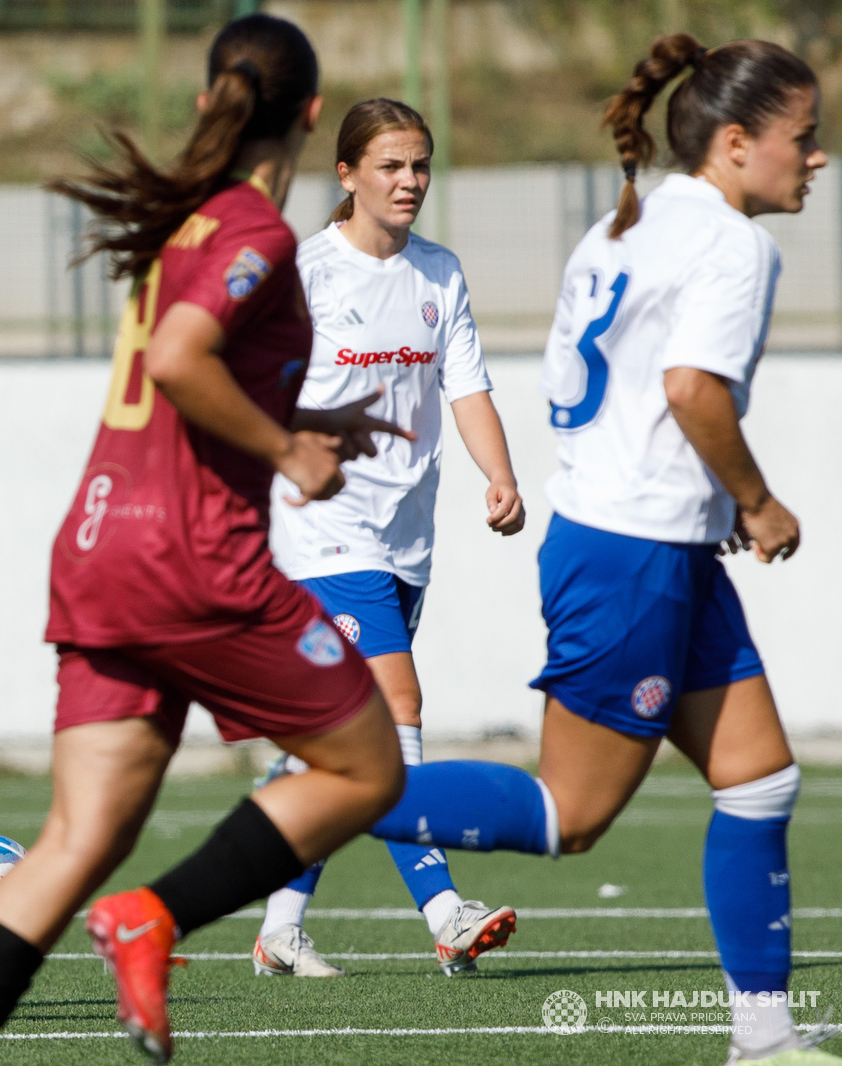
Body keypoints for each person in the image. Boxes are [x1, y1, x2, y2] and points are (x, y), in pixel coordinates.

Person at [0, 17, 410, 1066]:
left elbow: (183, 374)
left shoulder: (188, 223)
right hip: (192, 564)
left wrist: (294, 428)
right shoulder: (256, 231)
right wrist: (291, 454)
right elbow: (178, 359)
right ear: (311, 114)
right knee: (368, 766)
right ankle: (153, 917)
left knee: (80, 838)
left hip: (96, 550)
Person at [359, 34, 842, 1066]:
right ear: (732, 141)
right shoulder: (731, 244)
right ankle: (317, 798)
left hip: (644, 542)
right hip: (635, 552)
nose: (817, 159)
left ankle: (762, 1037)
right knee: (567, 815)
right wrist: (757, 502)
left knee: (758, 780)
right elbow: (689, 389)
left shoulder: (624, 223)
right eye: (804, 139)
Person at [250, 97, 526, 980]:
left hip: (408, 533)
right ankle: (445, 912)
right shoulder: (305, 275)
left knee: (334, 745)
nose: (409, 182)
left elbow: (467, 386)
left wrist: (500, 475)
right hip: (320, 533)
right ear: (346, 175)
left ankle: (279, 926)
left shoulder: (439, 273)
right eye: (390, 167)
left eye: (420, 166)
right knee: (394, 707)